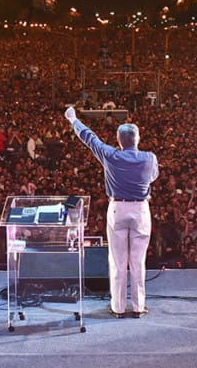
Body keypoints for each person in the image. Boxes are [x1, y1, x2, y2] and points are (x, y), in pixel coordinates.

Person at [65, 106, 159, 318]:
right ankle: (138, 307)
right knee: (138, 261)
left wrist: (73, 120)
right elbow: (152, 177)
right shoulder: (149, 158)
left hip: (117, 208)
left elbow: (90, 138)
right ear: (138, 138)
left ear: (118, 139)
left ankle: (117, 307)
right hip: (141, 209)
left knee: (117, 261)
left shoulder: (110, 155)